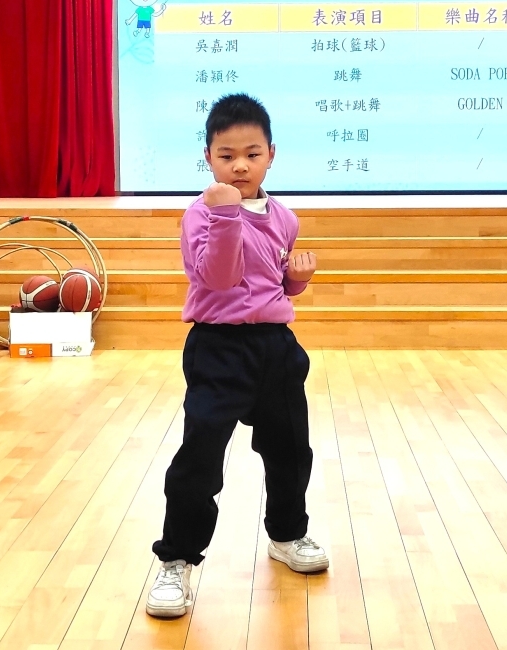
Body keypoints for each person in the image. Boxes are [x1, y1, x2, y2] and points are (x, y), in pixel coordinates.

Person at [146, 94, 327, 619]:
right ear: (208, 157)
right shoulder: (200, 215)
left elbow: (271, 284)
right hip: (217, 349)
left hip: (275, 348)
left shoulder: (284, 217)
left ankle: (288, 535)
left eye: (252, 153)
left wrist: (297, 281)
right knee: (200, 458)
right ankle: (176, 559)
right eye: (227, 155)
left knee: (291, 450)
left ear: (271, 154)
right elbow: (220, 279)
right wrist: (225, 215)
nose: (240, 165)